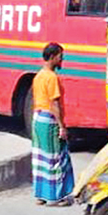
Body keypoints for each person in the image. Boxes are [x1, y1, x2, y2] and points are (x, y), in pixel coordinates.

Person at [31, 42, 74, 206]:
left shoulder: (39, 76)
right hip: (50, 121)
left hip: (38, 119)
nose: (62, 59)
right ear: (53, 57)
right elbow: (54, 104)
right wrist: (62, 126)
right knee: (57, 157)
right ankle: (57, 196)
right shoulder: (51, 78)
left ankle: (41, 195)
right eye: (60, 56)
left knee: (41, 157)